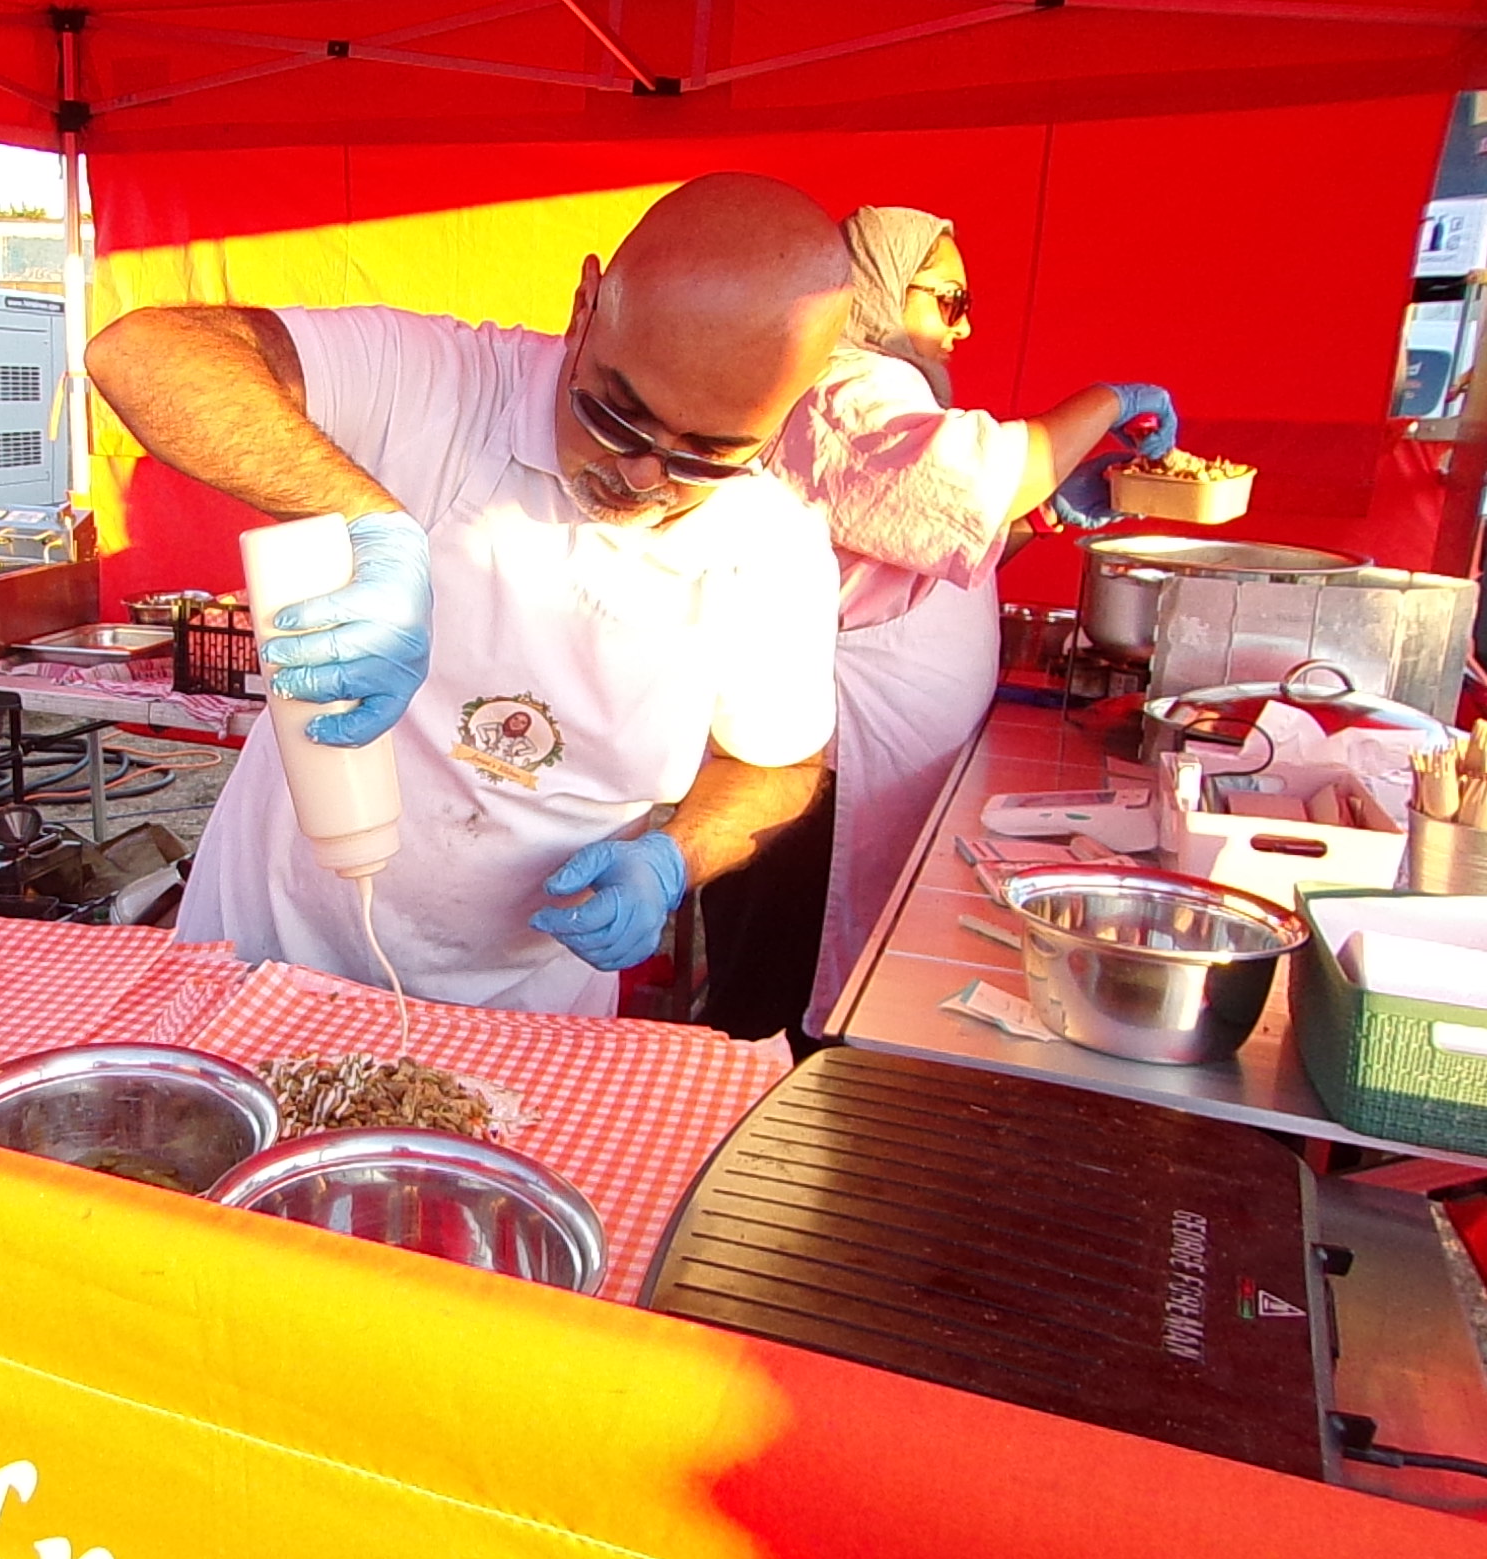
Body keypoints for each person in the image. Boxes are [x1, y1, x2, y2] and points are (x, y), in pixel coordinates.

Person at [87, 174, 854, 1017]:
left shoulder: (774, 550)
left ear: (785, 416)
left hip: (524, 1010)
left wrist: (676, 855)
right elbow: (143, 354)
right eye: (616, 414)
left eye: (706, 455)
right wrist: (371, 521)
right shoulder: (442, 387)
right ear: (585, 306)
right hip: (267, 958)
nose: (644, 478)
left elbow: (776, 765)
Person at [696, 205, 1177, 1049]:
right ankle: (734, 1144)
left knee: (828, 982)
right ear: (878, 288)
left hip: (872, 769)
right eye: (948, 300)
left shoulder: (882, 393)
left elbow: (925, 549)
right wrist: (1108, 402)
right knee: (772, 997)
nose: (966, 325)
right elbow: (968, 481)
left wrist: (1051, 510)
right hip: (821, 775)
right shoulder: (843, 387)